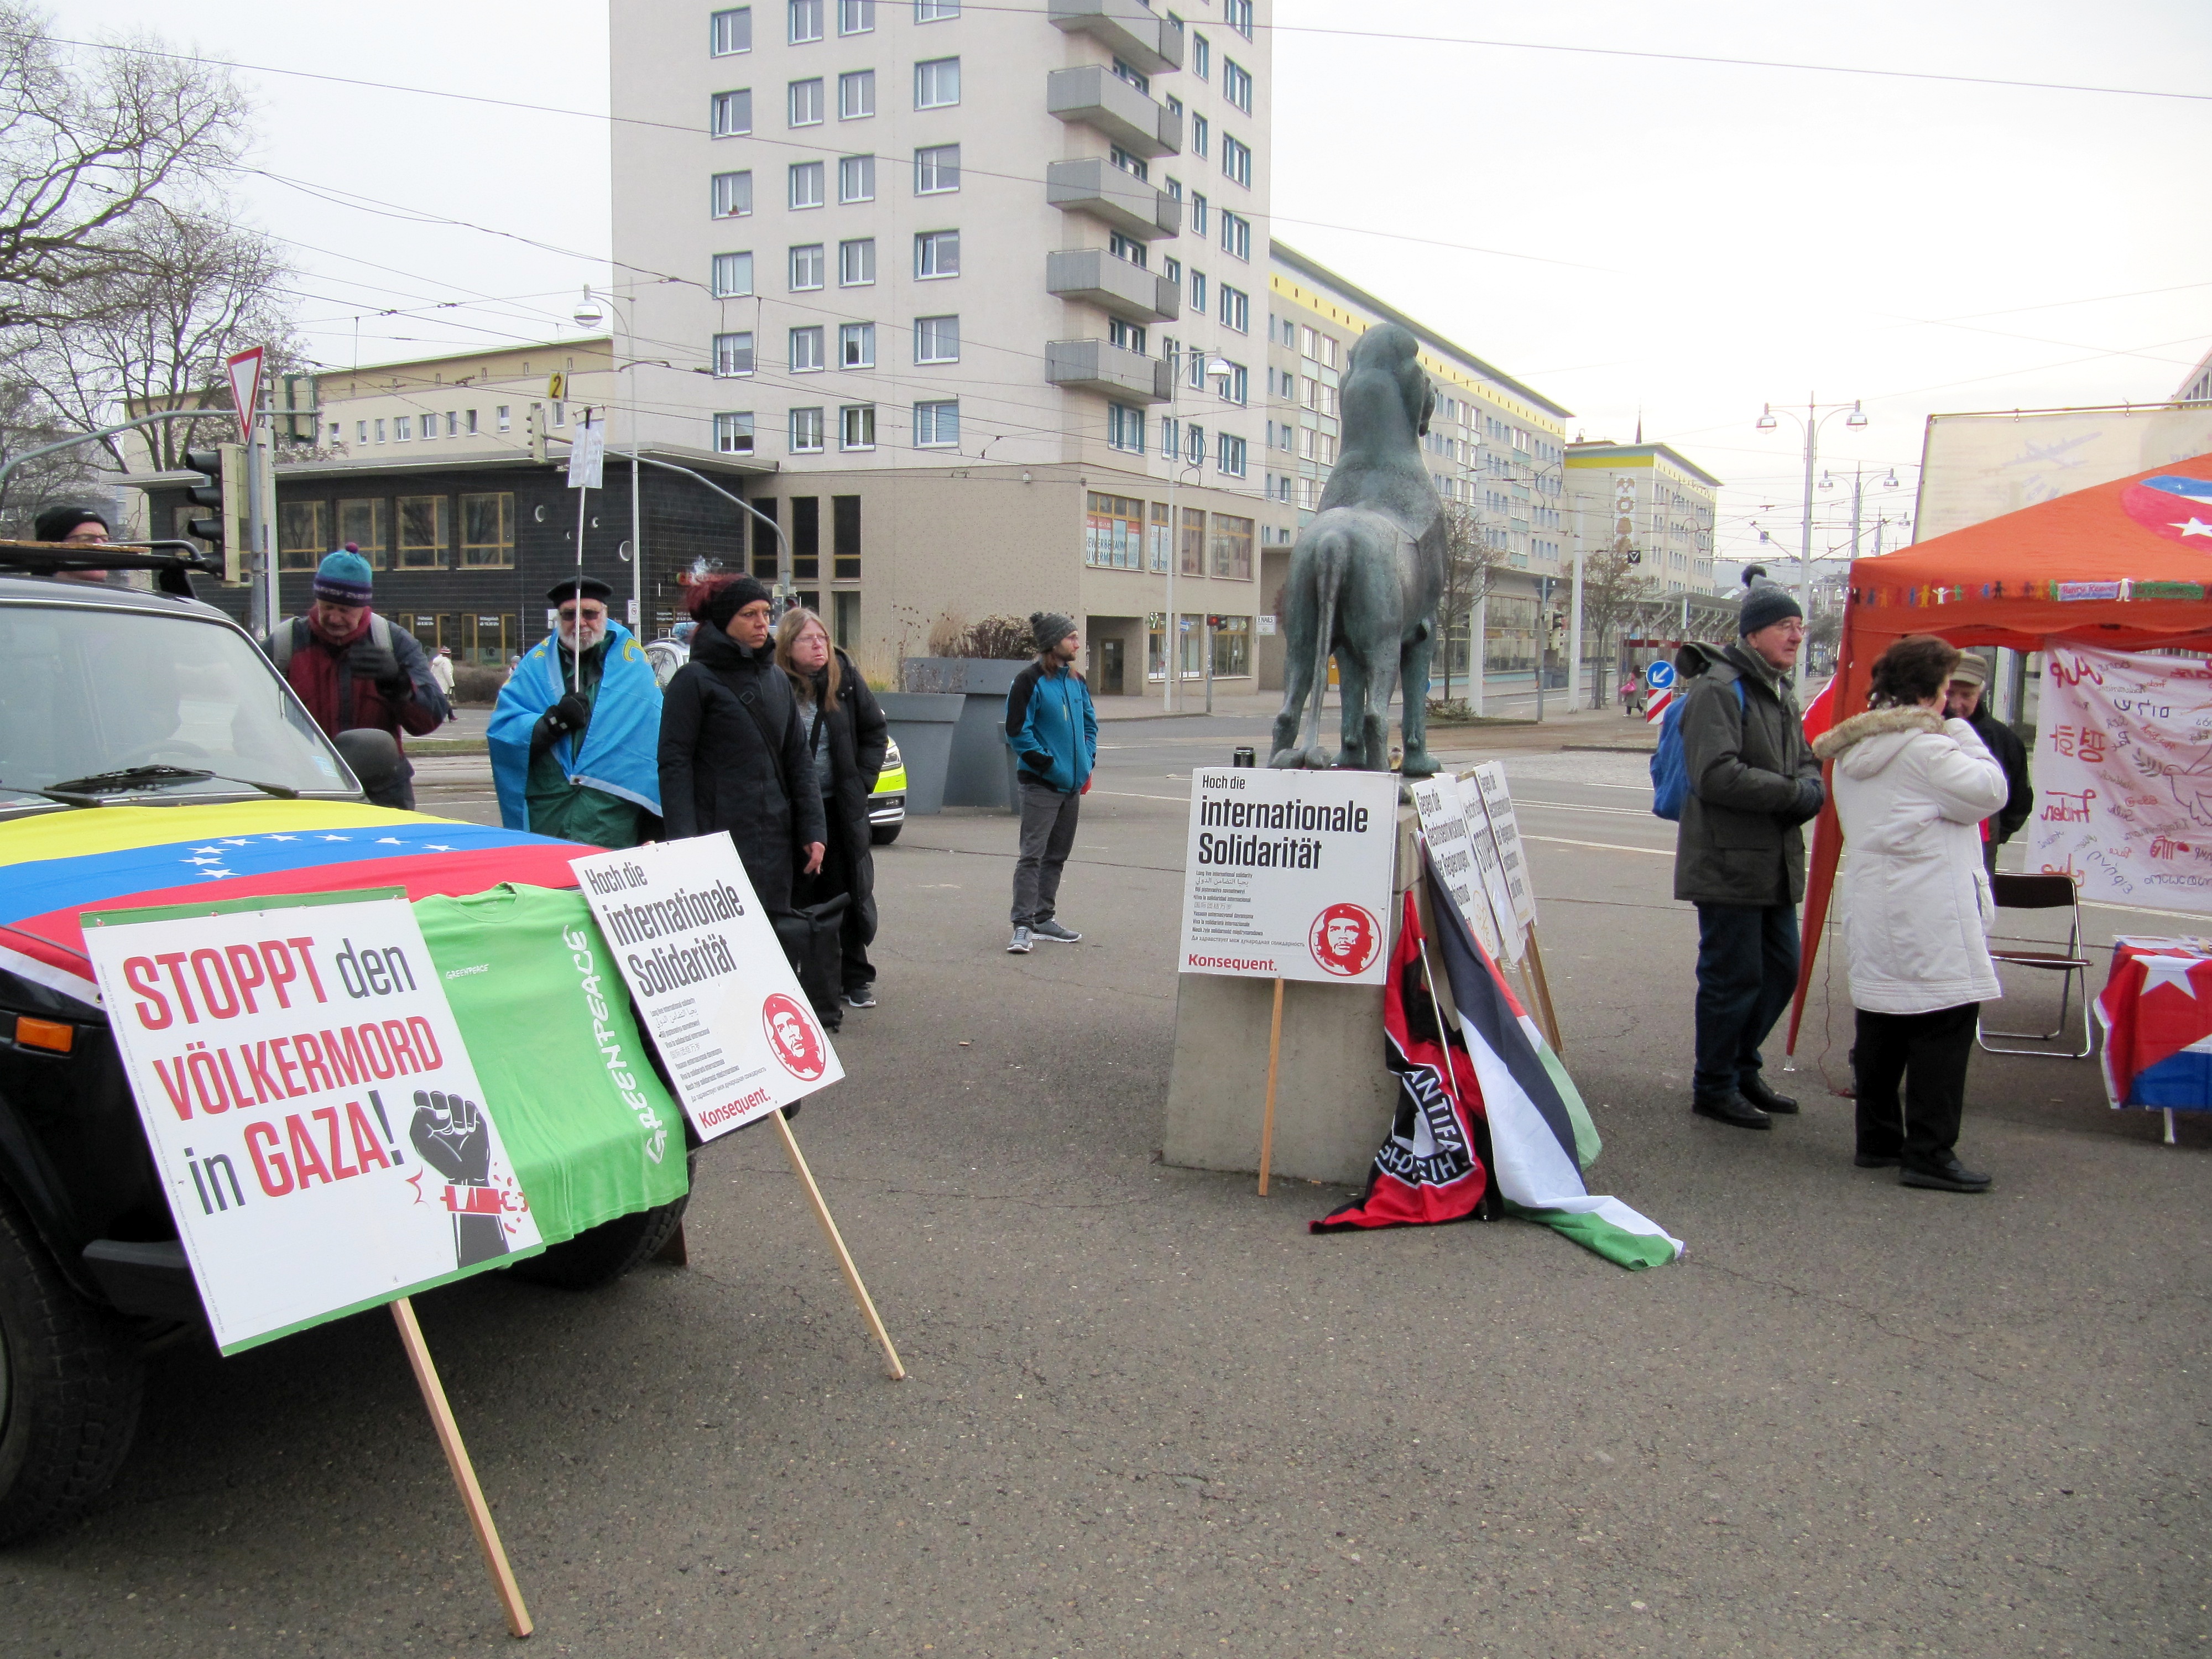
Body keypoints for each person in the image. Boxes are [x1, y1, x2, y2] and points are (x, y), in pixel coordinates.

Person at [1812, 634, 2009, 1192]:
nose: (1951, 701)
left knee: (1882, 1021)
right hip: (1929, 906)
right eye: (1945, 689)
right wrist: (1959, 731)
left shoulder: (1854, 752)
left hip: (1877, 899)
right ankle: (1929, 1151)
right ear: (1928, 693)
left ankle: (1877, 1140)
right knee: (1943, 1026)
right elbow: (1990, 792)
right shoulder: (1929, 750)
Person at [1672, 579, 1825, 1130]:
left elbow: (1805, 760)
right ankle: (1714, 1085)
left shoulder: (1778, 689)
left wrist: (1810, 786)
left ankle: (1741, 1068)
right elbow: (1714, 774)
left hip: (1772, 861)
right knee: (1732, 978)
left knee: (1781, 971)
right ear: (1753, 634)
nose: (1796, 636)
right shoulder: (1720, 688)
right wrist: (1794, 794)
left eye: (1800, 626)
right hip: (1727, 862)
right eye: (1785, 626)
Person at [658, 575, 826, 920]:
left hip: (775, 840)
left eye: (766, 613)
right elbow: (675, 764)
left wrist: (813, 830)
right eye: (749, 614)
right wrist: (684, 841)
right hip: (715, 839)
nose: (762, 622)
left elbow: (799, 759)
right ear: (724, 620)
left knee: (775, 933)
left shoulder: (776, 679)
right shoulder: (694, 680)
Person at [262, 547, 448, 808]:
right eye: (327, 606)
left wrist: (399, 685)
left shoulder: (394, 642)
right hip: (302, 789)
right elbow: (248, 720)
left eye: (345, 610)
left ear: (363, 607)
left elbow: (430, 719)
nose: (334, 617)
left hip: (380, 794)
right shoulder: (285, 645)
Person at [487, 577, 663, 848]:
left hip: (609, 815)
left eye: (589, 614)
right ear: (558, 618)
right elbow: (503, 733)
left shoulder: (633, 666)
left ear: (605, 614)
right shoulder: (534, 666)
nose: (580, 623)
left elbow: (654, 739)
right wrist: (552, 723)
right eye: (569, 615)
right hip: (548, 812)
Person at [776, 606, 889, 1008]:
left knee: (846, 891)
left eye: (822, 637)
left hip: (838, 807)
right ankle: (803, 980)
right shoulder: (775, 684)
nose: (818, 646)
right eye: (807, 639)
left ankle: (854, 978)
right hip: (793, 811)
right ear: (788, 646)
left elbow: (875, 732)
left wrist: (860, 783)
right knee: (799, 892)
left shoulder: (845, 680)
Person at [1003, 610, 1097, 954]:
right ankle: (1023, 925)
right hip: (1040, 785)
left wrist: (1085, 764)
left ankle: (1044, 919)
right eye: (1071, 638)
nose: (1077, 644)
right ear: (1052, 643)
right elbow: (1018, 732)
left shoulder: (1076, 681)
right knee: (1033, 856)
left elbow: (1090, 726)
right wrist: (1050, 766)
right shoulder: (1028, 681)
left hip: (1071, 787)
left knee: (1057, 856)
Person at [1944, 653, 2033, 877]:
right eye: (1949, 693)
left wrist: (1993, 836)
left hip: (1980, 860)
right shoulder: (1922, 731)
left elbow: (2020, 802)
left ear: (1980, 693)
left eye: (1966, 695)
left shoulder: (2004, 740)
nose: (1956, 704)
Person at [33, 504, 116, 585]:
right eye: (87, 539)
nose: (101, 546)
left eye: (105, 539)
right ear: (55, 547)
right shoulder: (34, 592)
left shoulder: (116, 594)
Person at [428, 644, 457, 718]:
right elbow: (448, 674)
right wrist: (452, 685)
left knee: (443, 701)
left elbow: (431, 673)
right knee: (444, 702)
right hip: (444, 686)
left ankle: (451, 716)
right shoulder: (446, 662)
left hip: (436, 685)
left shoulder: (435, 662)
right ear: (447, 655)